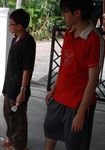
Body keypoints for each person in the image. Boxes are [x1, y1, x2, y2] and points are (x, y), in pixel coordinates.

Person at [44, 0, 105, 150]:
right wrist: (54, 89)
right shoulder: (69, 34)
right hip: (59, 97)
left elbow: (93, 81)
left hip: (77, 104)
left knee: (75, 143)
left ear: (77, 13)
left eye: (65, 12)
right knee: (50, 132)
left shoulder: (94, 40)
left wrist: (81, 113)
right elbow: (64, 65)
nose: (63, 15)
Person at [2, 9, 36, 150]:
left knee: (18, 119)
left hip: (18, 89)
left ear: (19, 26)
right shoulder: (15, 38)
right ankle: (11, 139)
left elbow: (27, 69)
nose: (9, 25)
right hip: (9, 86)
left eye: (11, 23)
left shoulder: (28, 42)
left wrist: (22, 91)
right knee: (8, 114)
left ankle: (20, 145)